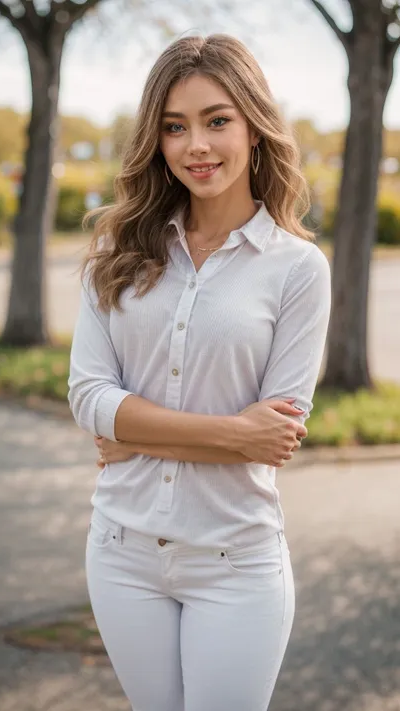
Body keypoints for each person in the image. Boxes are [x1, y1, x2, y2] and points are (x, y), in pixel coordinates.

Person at [68, 33, 331, 711]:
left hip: (234, 562)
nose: (197, 146)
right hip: (121, 554)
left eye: (217, 120)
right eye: (174, 127)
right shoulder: (115, 250)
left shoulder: (299, 269)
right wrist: (226, 432)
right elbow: (89, 397)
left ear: (253, 124)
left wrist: (135, 432)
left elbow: (274, 434)